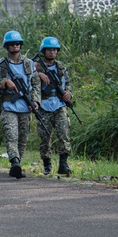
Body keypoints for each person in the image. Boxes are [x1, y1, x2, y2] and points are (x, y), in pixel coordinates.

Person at [0, 30, 41, 179]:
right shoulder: (0, 64)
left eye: (17, 43)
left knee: (23, 138)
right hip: (8, 105)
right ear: (7, 46)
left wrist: (35, 101)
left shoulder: (29, 63)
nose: (15, 46)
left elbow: (36, 84)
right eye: (12, 44)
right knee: (11, 134)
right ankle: (14, 162)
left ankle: (17, 165)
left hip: (25, 105)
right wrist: (3, 82)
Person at [35, 36, 74, 176]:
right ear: (43, 51)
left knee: (64, 134)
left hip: (59, 105)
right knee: (44, 137)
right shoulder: (35, 66)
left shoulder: (61, 67)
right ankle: (47, 164)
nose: (52, 52)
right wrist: (38, 74)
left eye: (54, 50)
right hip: (43, 105)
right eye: (49, 50)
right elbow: (27, 80)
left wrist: (68, 93)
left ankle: (63, 164)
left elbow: (67, 83)